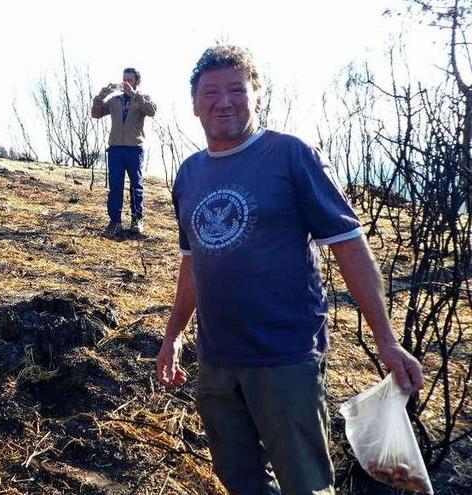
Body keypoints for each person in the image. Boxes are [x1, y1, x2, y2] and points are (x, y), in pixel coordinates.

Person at [156, 45, 424, 495]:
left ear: (257, 96)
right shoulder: (189, 174)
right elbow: (193, 262)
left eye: (237, 89)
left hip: (285, 359)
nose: (224, 102)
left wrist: (386, 339)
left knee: (305, 483)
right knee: (239, 479)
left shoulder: (290, 156)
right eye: (211, 93)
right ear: (194, 104)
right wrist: (173, 335)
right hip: (217, 361)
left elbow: (349, 246)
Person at [91, 67, 156, 237]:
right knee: (115, 186)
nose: (126, 82)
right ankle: (115, 222)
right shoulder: (114, 101)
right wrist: (100, 96)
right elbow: (96, 114)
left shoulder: (142, 99)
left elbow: (152, 111)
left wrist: (134, 94)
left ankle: (137, 220)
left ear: (137, 81)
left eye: (130, 79)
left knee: (136, 186)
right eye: (124, 79)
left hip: (134, 149)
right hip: (115, 150)